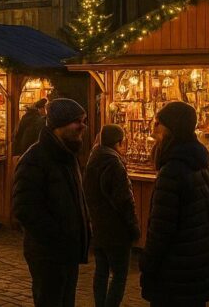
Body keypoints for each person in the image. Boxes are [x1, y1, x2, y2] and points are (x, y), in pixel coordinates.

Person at [140, 101, 209, 307]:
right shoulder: (202, 165)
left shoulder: (172, 171)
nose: (154, 129)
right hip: (197, 266)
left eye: (158, 123)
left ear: (171, 128)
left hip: (174, 272)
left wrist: (147, 264)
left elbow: (161, 229)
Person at [12, 98, 90, 307]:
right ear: (59, 125)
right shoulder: (35, 158)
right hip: (48, 254)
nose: (83, 126)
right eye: (77, 122)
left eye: (83, 120)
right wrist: (57, 237)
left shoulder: (68, 156)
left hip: (68, 252)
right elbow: (24, 208)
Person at [85, 124, 139, 307]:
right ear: (119, 142)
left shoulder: (93, 160)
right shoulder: (114, 164)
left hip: (99, 226)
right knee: (119, 275)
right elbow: (124, 200)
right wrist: (133, 227)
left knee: (101, 270)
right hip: (116, 229)